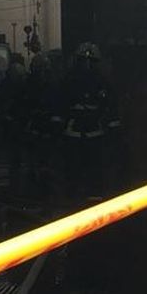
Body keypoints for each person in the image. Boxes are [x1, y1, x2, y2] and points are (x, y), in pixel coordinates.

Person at [59, 42, 121, 203]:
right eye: (83, 61)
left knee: (94, 166)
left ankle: (92, 195)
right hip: (74, 132)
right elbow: (59, 104)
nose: (87, 65)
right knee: (73, 166)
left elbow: (111, 106)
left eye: (91, 62)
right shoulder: (68, 81)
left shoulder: (103, 83)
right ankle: (72, 196)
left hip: (94, 131)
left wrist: (111, 127)